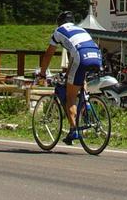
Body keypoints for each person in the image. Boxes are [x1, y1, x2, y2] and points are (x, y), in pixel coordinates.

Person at [43, 11, 103, 145]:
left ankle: (73, 129)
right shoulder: (80, 29)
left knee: (70, 97)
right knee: (80, 77)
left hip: (81, 56)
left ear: (60, 22)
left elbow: (48, 55)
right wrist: (68, 74)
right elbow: (73, 59)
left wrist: (42, 73)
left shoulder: (59, 31)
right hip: (96, 55)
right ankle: (86, 102)